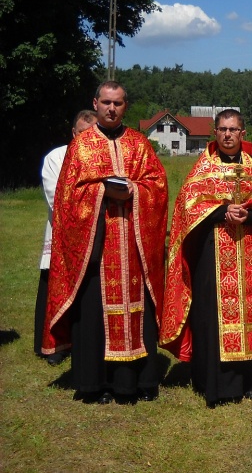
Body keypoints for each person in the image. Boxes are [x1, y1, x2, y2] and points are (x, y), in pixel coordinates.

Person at [42, 81, 168, 404]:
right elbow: (68, 198)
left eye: (119, 103)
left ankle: (136, 382)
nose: (112, 108)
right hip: (95, 248)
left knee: (135, 312)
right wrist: (102, 191)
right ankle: (94, 384)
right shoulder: (81, 146)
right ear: (95, 103)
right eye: (106, 102)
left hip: (132, 244)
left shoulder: (140, 144)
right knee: (94, 315)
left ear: (126, 106)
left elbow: (157, 186)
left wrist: (134, 191)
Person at [160, 109, 252, 407]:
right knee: (211, 314)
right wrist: (222, 211)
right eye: (222, 129)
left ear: (243, 133)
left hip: (251, 250)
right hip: (213, 251)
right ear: (215, 132)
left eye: (233, 129)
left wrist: (251, 212)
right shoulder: (204, 167)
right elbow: (187, 207)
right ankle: (218, 383)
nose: (228, 135)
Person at [34, 110, 96, 364]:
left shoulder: (99, 157)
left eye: (91, 134)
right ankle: (54, 346)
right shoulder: (56, 157)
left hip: (93, 234)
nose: (86, 138)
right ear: (73, 133)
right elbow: (54, 197)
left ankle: (82, 340)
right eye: (82, 133)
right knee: (55, 288)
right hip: (63, 232)